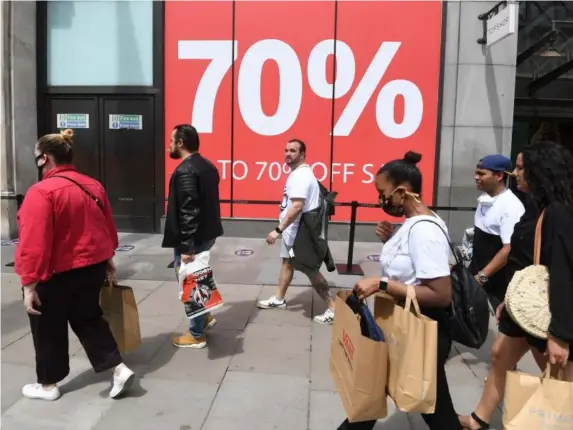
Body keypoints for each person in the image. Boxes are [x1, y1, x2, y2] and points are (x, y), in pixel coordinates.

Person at [338, 151, 461, 430]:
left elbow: (441, 294)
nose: (380, 200)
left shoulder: (423, 231)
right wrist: (393, 238)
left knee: (434, 408)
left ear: (402, 192)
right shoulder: (413, 224)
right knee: (378, 391)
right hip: (405, 324)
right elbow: (415, 270)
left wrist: (381, 284)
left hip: (421, 327)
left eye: (383, 193)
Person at [459, 141, 573, 430]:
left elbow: (561, 273)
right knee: (499, 355)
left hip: (549, 312)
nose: (514, 172)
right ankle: (478, 419)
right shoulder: (536, 206)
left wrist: (559, 335)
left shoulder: (558, 213)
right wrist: (510, 302)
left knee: (561, 378)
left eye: (521, 167)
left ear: (539, 171)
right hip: (528, 305)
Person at [15, 129, 134, 401]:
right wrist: (107, 259)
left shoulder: (41, 192)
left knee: (47, 329)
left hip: (54, 273)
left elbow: (33, 243)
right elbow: (106, 229)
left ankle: (48, 385)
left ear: (45, 158)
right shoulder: (93, 185)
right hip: (90, 269)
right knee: (90, 320)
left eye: (37, 157)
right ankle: (118, 368)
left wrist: (29, 283)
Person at [257, 139, 336, 324]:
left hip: (299, 233)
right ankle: (278, 299)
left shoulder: (300, 176)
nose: (288, 154)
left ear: (303, 154)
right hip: (293, 232)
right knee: (287, 263)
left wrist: (278, 230)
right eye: (286, 150)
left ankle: (333, 308)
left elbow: (297, 206)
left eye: (293, 150)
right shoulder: (300, 174)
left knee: (311, 270)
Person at [162, 124, 224, 349]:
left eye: (171, 140)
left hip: (192, 238)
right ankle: (205, 318)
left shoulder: (186, 170)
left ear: (180, 143)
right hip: (205, 234)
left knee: (191, 280)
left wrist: (187, 247)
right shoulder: (207, 166)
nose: (169, 144)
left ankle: (196, 334)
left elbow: (189, 210)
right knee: (199, 275)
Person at [471, 154, 524, 312]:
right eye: (476, 173)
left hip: (495, 288)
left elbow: (508, 249)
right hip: (476, 280)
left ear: (499, 176)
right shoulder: (484, 200)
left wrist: (482, 277)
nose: (476, 177)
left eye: (482, 174)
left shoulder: (511, 206)